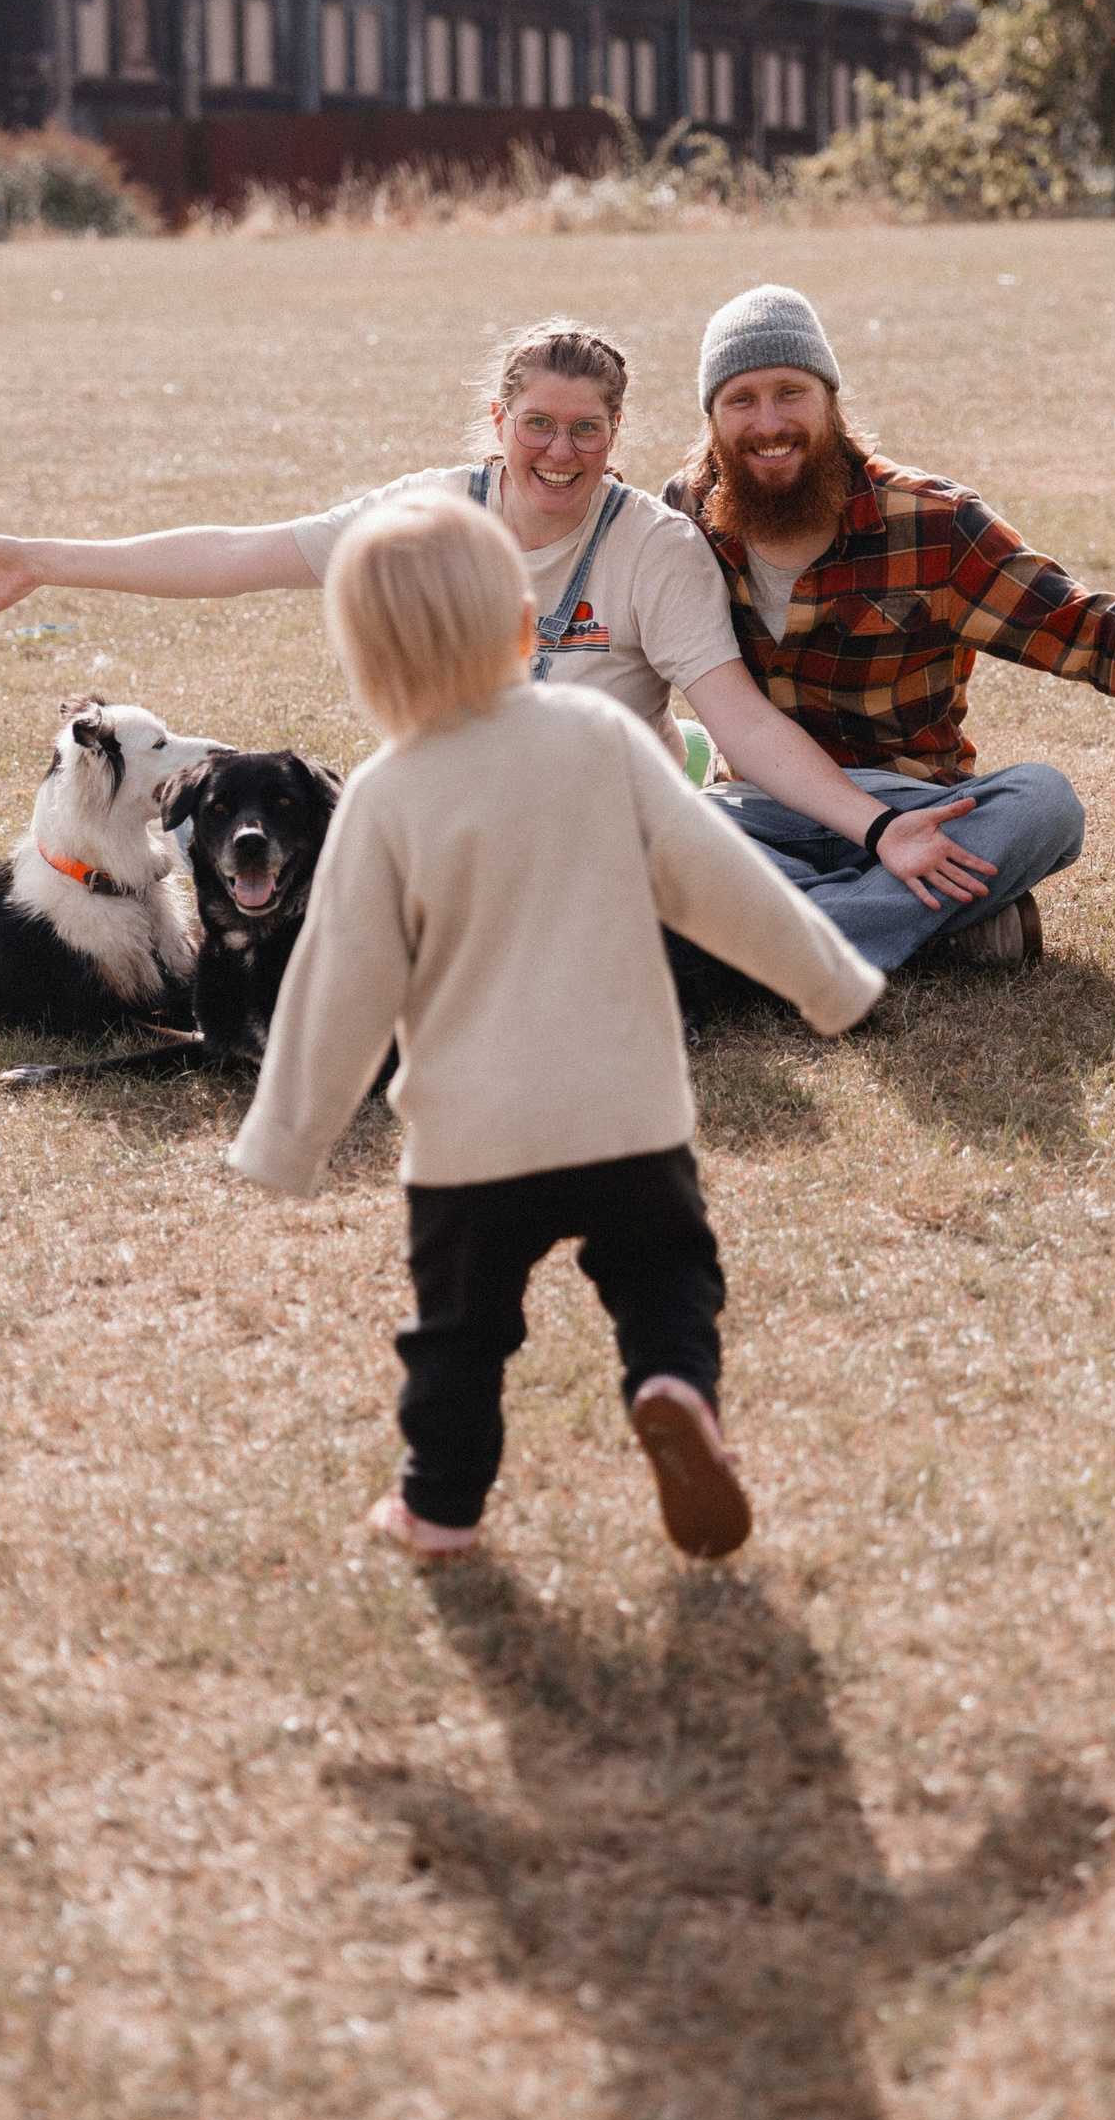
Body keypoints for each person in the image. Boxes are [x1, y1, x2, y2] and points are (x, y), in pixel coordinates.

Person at [228, 489, 884, 1562]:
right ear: (525, 623)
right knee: (666, 1276)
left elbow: (340, 981)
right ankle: (674, 1385)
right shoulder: (599, 734)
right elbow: (718, 878)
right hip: (628, 1112)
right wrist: (830, 982)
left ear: (366, 662)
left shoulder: (386, 796)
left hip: (473, 1141)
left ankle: (439, 1509)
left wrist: (288, 1139)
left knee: (461, 1332)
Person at [0, 319, 1000, 955]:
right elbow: (237, 555)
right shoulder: (430, 514)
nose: (562, 452)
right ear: (500, 422)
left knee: (1034, 807)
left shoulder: (655, 547)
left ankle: (785, 912)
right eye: (540, 425)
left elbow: (742, 724)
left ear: (616, 432)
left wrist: (878, 829)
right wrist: (43, 560)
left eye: (586, 429)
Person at [664, 284, 1115, 975]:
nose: (768, 423)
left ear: (830, 399)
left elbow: (1079, 625)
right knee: (645, 837)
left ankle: (776, 944)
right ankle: (925, 926)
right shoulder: (683, 517)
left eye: (790, 392)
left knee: (1044, 803)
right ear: (712, 418)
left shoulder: (933, 523)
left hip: (916, 806)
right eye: (741, 400)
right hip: (760, 814)